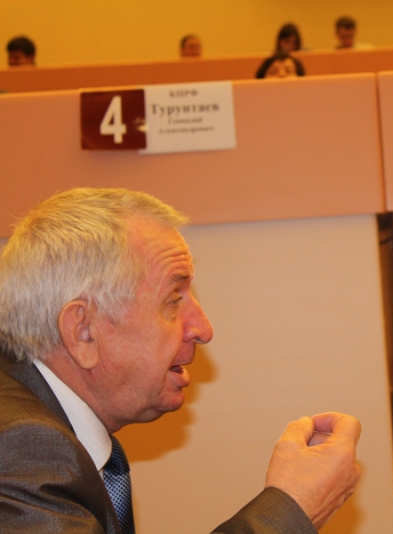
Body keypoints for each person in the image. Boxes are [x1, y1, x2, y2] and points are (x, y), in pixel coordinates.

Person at [0, 188, 361, 532]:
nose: (203, 329)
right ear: (83, 332)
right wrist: (293, 507)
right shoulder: (22, 448)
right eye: (173, 299)